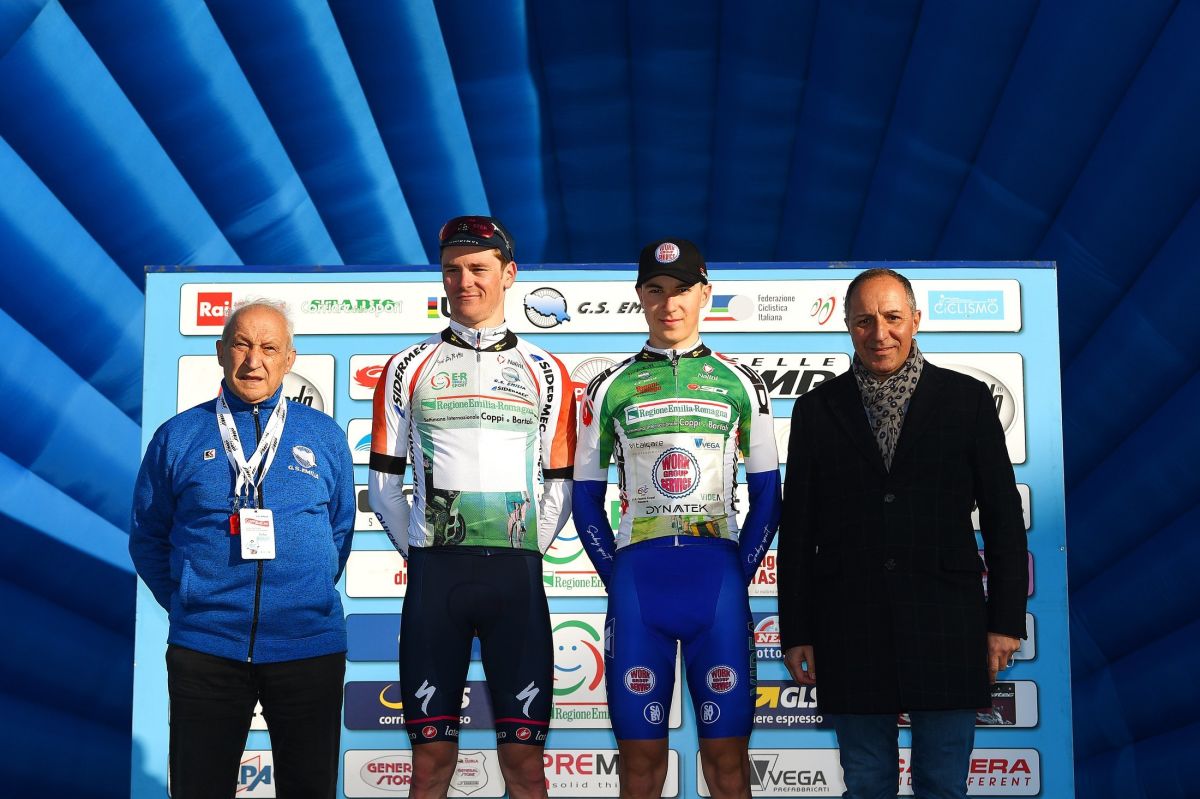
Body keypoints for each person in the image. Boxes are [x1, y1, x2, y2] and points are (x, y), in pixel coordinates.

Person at [776, 268, 1027, 799]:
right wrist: (796, 630)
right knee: (867, 784)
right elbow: (797, 530)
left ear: (916, 319)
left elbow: (1004, 518)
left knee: (943, 785)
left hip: (948, 624)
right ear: (848, 326)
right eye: (864, 321)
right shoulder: (816, 409)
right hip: (849, 627)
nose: (879, 333)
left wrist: (1005, 622)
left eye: (892, 317)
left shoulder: (967, 400)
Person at [369, 215, 576, 799]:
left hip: (516, 578)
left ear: (508, 274)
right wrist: (423, 547)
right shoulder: (407, 366)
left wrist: (526, 545)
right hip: (436, 580)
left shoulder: (546, 370)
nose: (465, 282)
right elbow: (383, 486)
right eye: (452, 270)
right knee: (430, 765)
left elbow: (559, 486)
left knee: (526, 767)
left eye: (479, 268)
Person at [573, 238, 782, 799]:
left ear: (705, 294)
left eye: (683, 290)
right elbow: (585, 497)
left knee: (728, 764)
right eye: (656, 290)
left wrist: (738, 570)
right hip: (639, 586)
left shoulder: (742, 382)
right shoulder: (607, 386)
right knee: (640, 768)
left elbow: (768, 495)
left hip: (717, 583)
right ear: (640, 296)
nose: (669, 304)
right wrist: (615, 572)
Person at [130, 299, 355, 799]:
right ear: (220, 351)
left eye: (269, 348)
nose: (254, 361)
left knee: (310, 789)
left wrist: (305, 592)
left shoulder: (323, 435)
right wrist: (192, 600)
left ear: (289, 359)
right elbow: (148, 535)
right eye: (242, 345)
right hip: (206, 648)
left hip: (307, 646)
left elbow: (339, 530)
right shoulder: (178, 436)